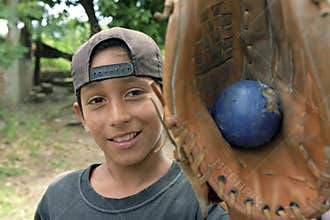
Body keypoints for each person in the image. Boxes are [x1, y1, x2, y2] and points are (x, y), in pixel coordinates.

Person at [34, 27, 229, 220]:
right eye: (97, 100)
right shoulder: (58, 200)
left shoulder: (206, 198)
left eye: (134, 93)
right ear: (82, 116)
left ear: (166, 98)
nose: (118, 117)